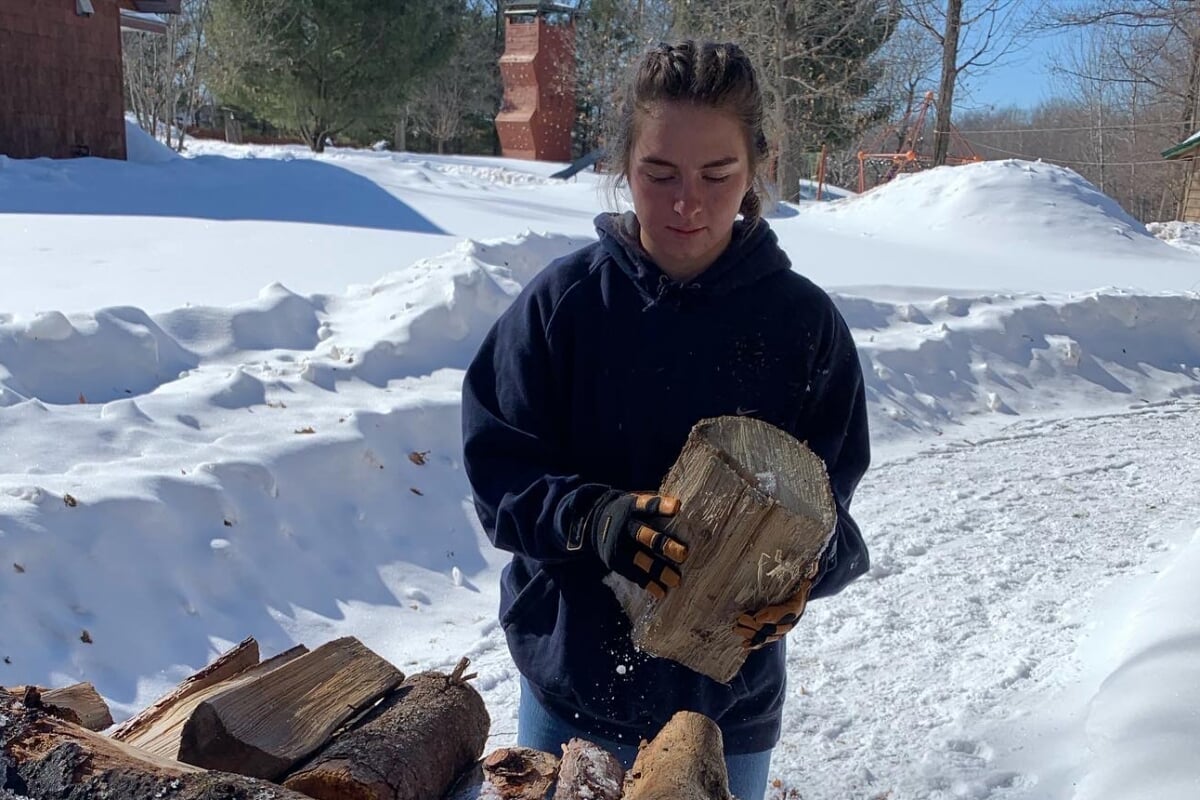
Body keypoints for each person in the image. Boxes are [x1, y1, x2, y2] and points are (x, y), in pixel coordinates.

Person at [461, 39, 870, 800]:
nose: (688, 202)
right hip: (570, 693)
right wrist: (593, 519)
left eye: (718, 175)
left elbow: (829, 513)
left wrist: (805, 570)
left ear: (755, 169)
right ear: (624, 164)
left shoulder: (803, 327)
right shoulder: (563, 307)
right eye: (660, 174)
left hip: (725, 715)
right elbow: (500, 472)